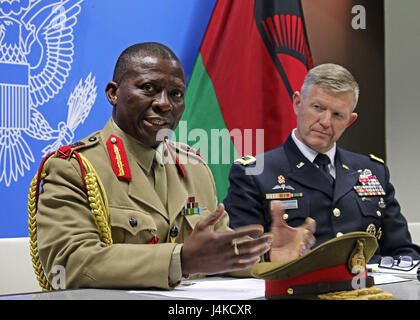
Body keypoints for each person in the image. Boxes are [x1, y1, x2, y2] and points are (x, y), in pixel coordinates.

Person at [32, 42, 316, 290]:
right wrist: (179, 259)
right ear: (113, 93)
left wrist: (267, 253)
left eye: (176, 94)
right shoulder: (74, 168)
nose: (164, 104)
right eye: (148, 89)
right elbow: (69, 265)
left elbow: (217, 248)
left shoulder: (195, 167)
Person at [224, 63, 420, 263]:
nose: (326, 121)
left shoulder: (373, 171)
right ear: (297, 103)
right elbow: (238, 258)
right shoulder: (255, 173)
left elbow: (403, 252)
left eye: (337, 115)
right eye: (318, 108)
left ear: (349, 121)